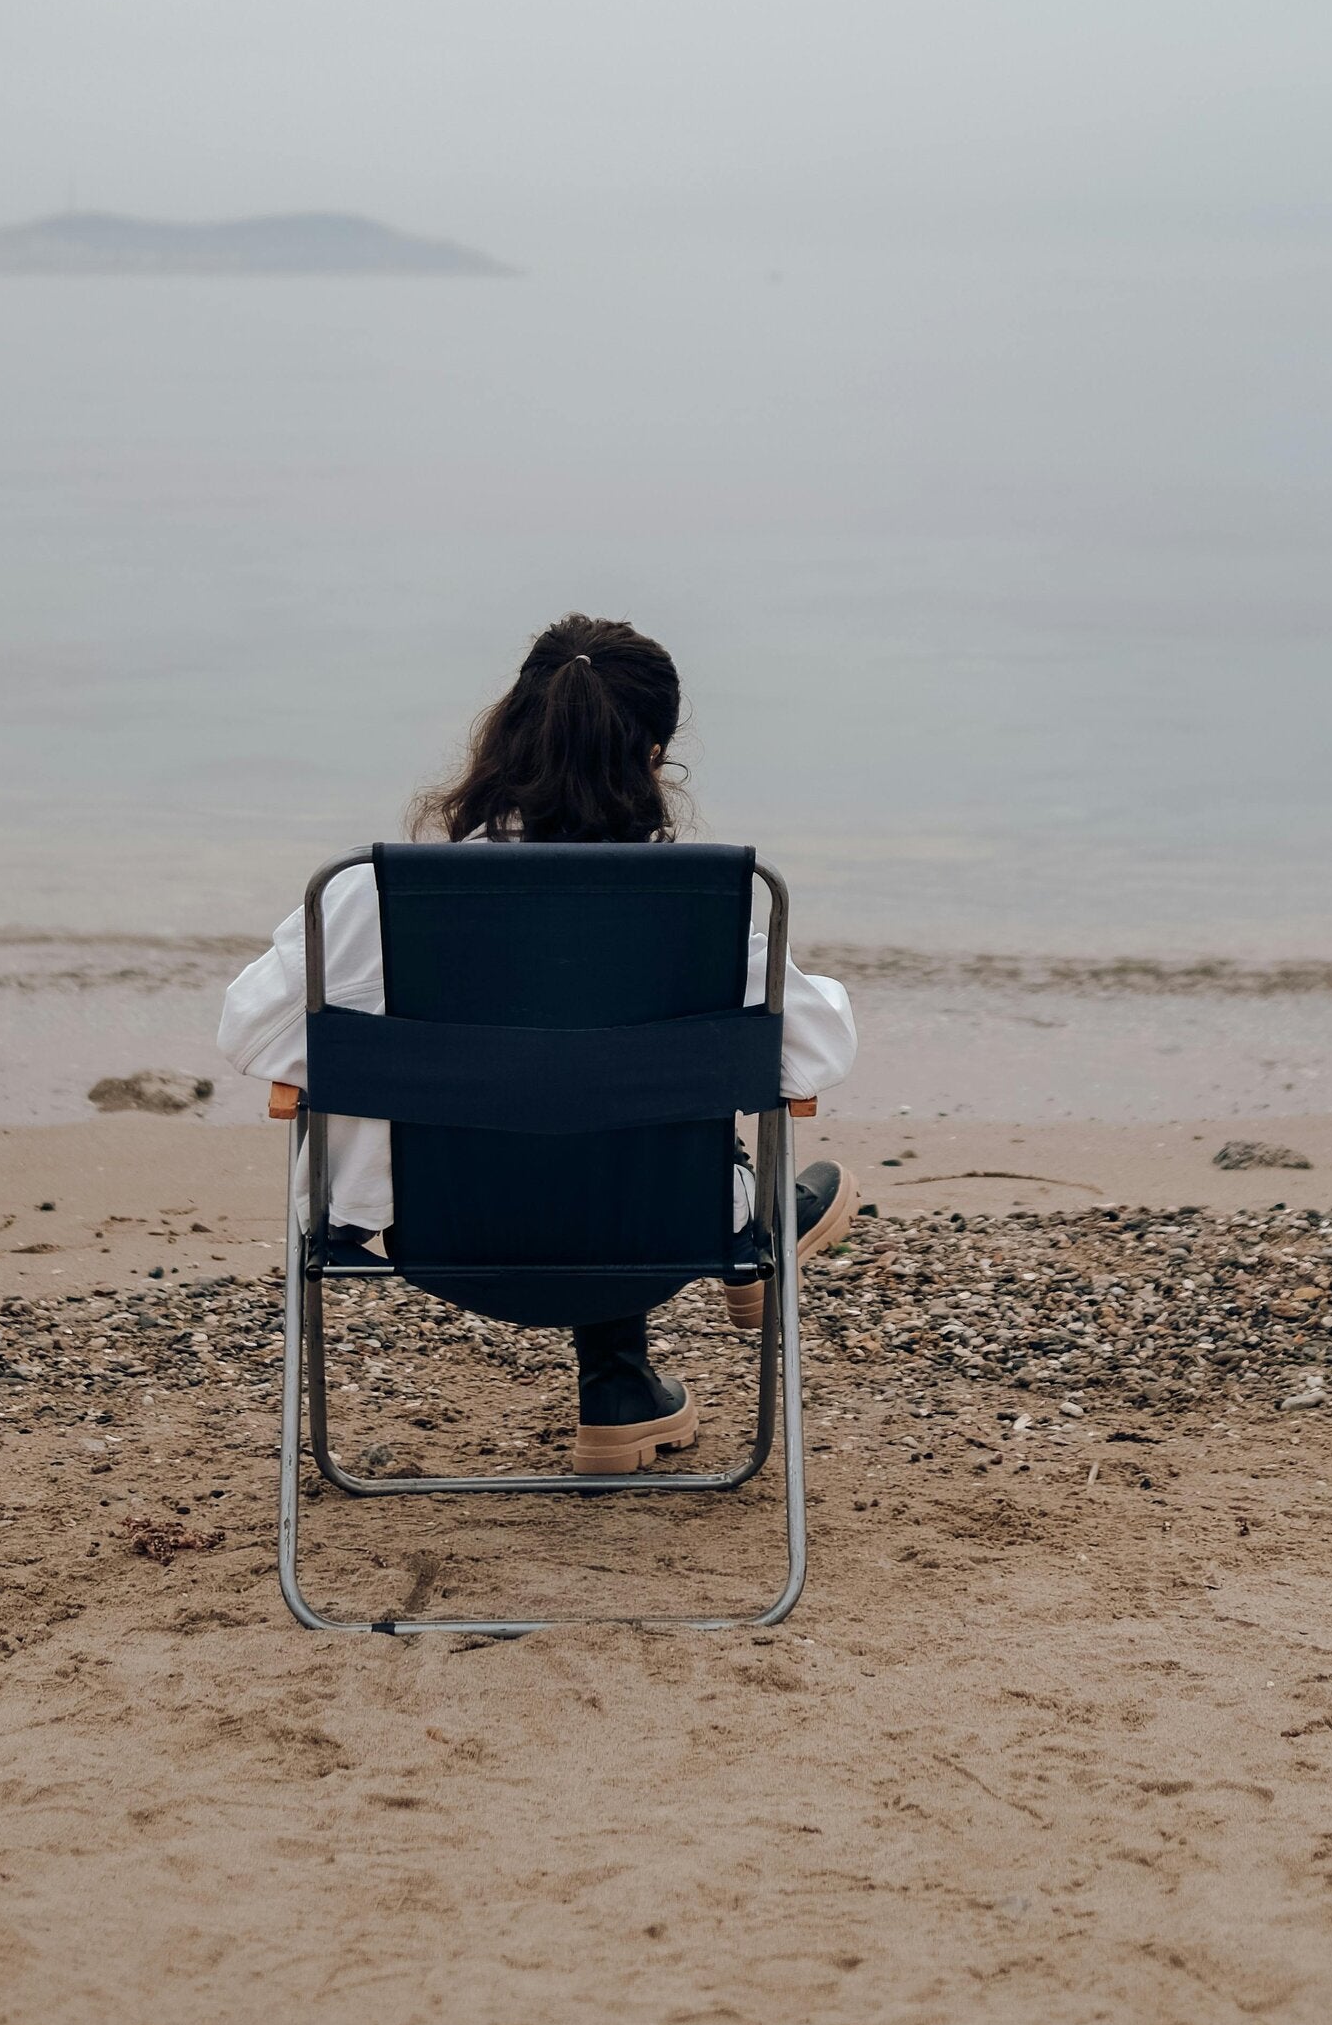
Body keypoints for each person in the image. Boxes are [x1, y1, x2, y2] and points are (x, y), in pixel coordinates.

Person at [218, 614, 858, 1475]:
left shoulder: (375, 899)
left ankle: (625, 1395)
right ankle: (745, 1237)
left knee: (557, 1100)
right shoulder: (708, 908)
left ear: (508, 732)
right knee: (644, 1123)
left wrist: (414, 1064)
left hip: (439, 1228)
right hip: (660, 1233)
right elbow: (812, 1060)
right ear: (655, 756)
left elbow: (249, 1030)